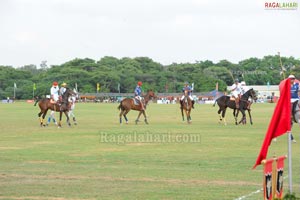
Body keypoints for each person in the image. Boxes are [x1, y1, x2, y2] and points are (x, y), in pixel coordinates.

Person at [289, 74, 298, 143]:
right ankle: (291, 116)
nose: (292, 80)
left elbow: (299, 92)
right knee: (291, 105)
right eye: (290, 79)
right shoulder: (287, 86)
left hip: (296, 99)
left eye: (293, 78)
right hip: (290, 100)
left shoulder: (297, 85)